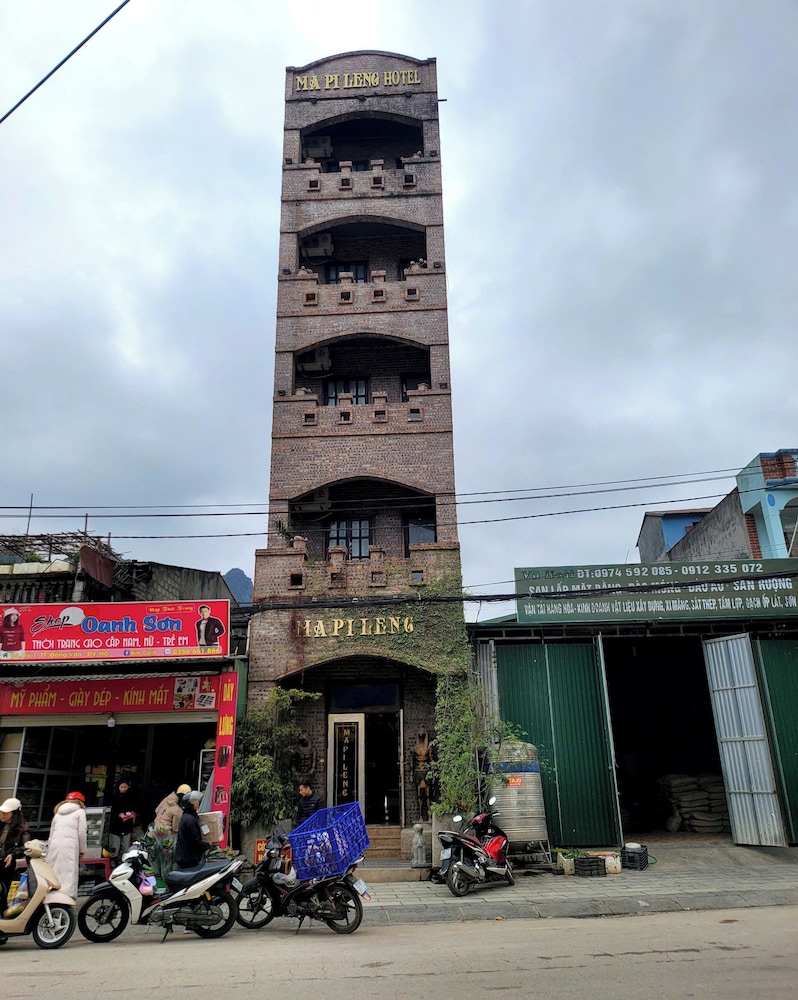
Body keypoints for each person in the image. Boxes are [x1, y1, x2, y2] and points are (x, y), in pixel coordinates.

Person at [46, 791, 87, 900]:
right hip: (71, 845)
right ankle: (66, 897)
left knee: (54, 869)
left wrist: (49, 845)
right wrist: (82, 849)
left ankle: (52, 893)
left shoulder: (58, 812)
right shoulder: (80, 811)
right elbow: (82, 832)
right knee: (69, 871)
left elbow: (52, 831)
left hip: (55, 844)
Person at [0, 797, 29, 907]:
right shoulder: (1, 825)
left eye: (6, 813)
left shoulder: (22, 828)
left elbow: (25, 846)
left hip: (7, 864)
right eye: (1, 812)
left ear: (14, 813)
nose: (2, 815)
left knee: (3, 891)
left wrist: (13, 854)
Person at [174, 790, 210, 869]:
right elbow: (195, 840)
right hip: (188, 859)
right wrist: (208, 846)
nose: (198, 804)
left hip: (186, 857)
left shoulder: (188, 817)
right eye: (196, 803)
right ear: (190, 804)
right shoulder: (190, 820)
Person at [107, 780, 138, 859]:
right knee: (115, 846)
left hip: (127, 826)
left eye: (125, 787)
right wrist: (119, 815)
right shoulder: (114, 797)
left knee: (126, 846)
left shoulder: (131, 797)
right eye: (121, 787)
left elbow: (134, 809)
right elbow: (111, 810)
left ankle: (123, 860)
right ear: (118, 787)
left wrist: (131, 814)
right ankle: (114, 860)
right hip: (115, 825)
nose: (123, 789)